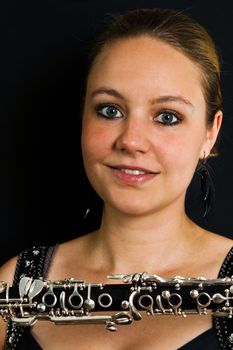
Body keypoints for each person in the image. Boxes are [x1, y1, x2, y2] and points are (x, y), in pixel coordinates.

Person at [0, 7, 232, 350]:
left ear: (209, 134)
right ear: (83, 117)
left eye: (167, 117)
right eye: (110, 110)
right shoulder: (17, 284)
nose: (131, 141)